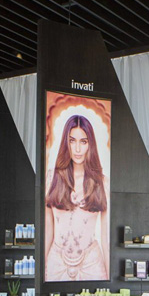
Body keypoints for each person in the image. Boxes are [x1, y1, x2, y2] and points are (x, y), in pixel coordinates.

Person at [44, 114, 109, 281]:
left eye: (83, 142)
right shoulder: (51, 178)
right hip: (56, 263)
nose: (77, 149)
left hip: (91, 264)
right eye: (72, 141)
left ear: (90, 144)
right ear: (66, 143)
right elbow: (47, 229)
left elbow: (106, 237)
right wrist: (40, 271)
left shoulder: (102, 182)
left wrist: (111, 281)